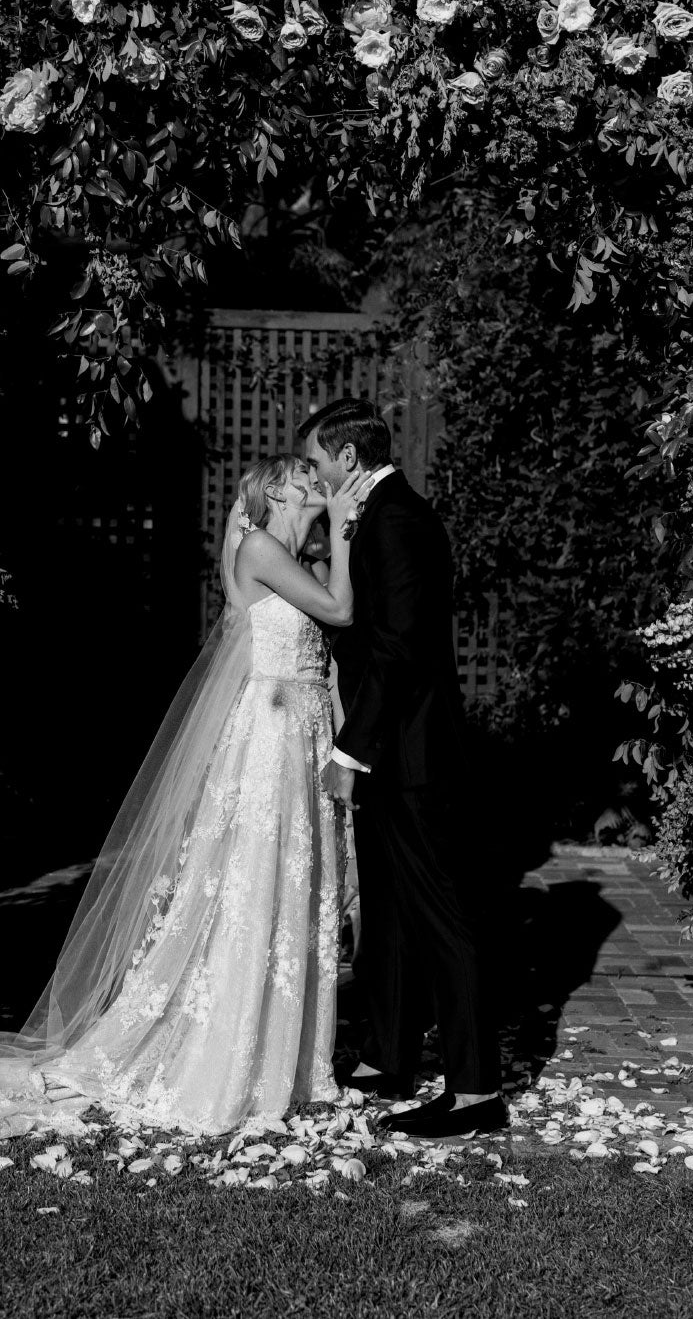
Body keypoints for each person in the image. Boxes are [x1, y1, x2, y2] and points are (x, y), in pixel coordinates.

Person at [0, 454, 370, 1147]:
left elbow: (322, 611)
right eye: (302, 475)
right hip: (272, 739)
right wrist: (341, 527)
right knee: (258, 889)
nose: (314, 483)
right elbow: (341, 608)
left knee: (291, 894)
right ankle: (236, 1059)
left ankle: (287, 1062)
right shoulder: (266, 546)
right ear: (274, 491)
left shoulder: (281, 552)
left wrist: (330, 533)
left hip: (299, 736)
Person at [298, 397, 505, 1139]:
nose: (316, 478)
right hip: (391, 749)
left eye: (319, 463)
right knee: (385, 908)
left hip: (412, 754)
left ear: (348, 458)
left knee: (444, 917)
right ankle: (389, 1056)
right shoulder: (376, 515)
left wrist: (350, 748)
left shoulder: (401, 520)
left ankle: (477, 1091)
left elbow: (399, 649)